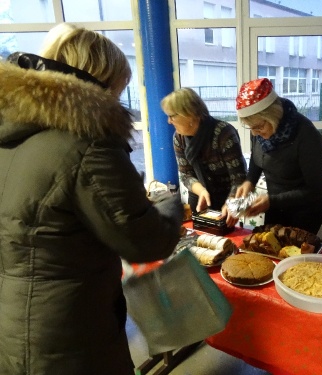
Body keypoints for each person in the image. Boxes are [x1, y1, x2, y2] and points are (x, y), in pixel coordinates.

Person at [0, 24, 184, 375]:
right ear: (100, 83)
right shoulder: (88, 143)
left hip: (12, 323)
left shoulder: (10, 132)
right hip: (68, 335)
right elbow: (146, 241)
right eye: (118, 90)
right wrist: (170, 206)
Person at [234, 78, 322, 234]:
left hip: (305, 210)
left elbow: (317, 190)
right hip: (275, 204)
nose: (254, 133)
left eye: (258, 127)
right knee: (269, 248)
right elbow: (257, 159)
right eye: (251, 128)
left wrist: (272, 200)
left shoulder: (306, 135)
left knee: (293, 254)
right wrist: (249, 182)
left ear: (273, 114)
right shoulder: (260, 131)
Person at [161, 88, 247, 227]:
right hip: (199, 199)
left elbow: (239, 177)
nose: (169, 121)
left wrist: (232, 203)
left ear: (188, 114)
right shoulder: (179, 138)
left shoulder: (224, 133)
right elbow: (185, 175)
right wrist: (201, 191)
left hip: (227, 201)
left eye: (172, 116)